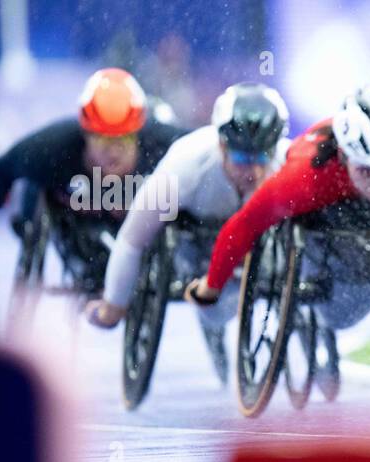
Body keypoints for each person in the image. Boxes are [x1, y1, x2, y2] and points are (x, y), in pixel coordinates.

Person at [183, 87, 370, 375]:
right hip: (328, 222)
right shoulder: (305, 178)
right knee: (337, 313)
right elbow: (243, 228)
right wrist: (212, 286)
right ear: (346, 156)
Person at [82, 83, 291, 381]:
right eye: (243, 159)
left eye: (262, 159)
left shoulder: (287, 162)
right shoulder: (185, 167)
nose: (254, 173)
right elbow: (131, 241)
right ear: (221, 145)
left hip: (253, 247)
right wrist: (114, 305)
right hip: (194, 248)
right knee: (213, 304)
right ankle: (212, 321)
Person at [0, 68, 186, 219]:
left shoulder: (164, 142)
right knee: (34, 183)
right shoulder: (52, 147)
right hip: (76, 222)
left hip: (143, 229)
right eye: (102, 137)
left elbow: (209, 149)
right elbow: (7, 165)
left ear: (139, 132)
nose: (113, 150)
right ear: (85, 133)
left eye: (124, 137)